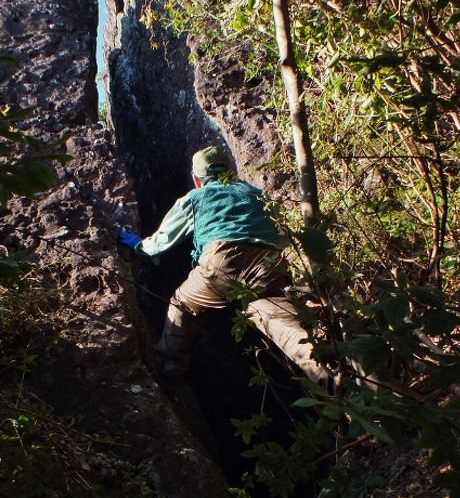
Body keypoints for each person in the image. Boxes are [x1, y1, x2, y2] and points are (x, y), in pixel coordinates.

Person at [119, 146, 328, 384]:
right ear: (231, 171)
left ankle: (169, 370)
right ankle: (338, 381)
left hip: (222, 259)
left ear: (197, 180)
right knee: (281, 326)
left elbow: (162, 241)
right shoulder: (255, 193)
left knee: (183, 304)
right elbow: (283, 236)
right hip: (270, 264)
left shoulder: (196, 198)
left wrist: (138, 245)